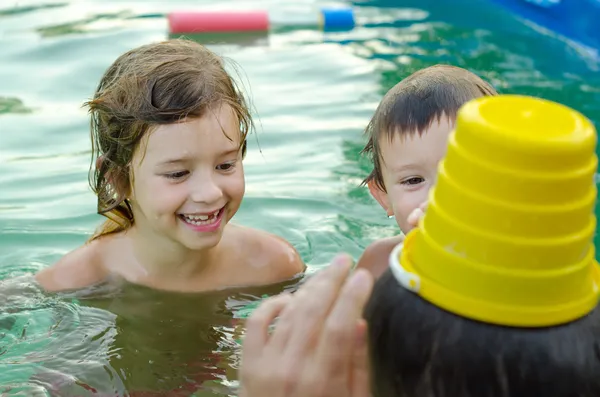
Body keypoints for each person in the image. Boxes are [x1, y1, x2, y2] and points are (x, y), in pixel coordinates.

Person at [34, 39, 305, 293]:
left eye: (225, 165)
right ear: (118, 179)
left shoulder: (275, 266)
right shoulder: (80, 279)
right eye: (178, 173)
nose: (209, 193)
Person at [356, 65, 497, 278]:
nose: (438, 196)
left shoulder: (527, 263)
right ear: (384, 197)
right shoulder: (380, 264)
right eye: (413, 180)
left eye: (461, 172)